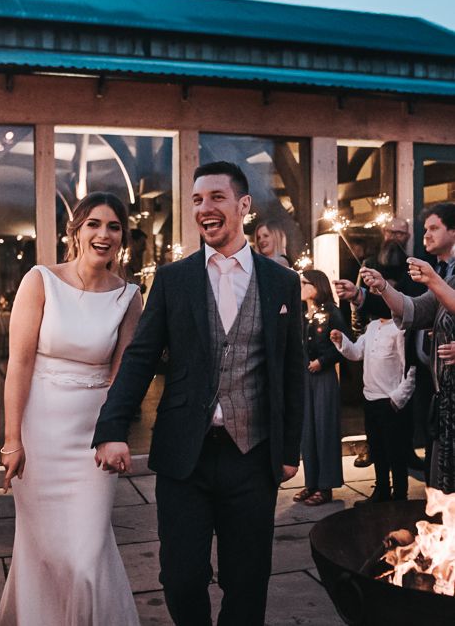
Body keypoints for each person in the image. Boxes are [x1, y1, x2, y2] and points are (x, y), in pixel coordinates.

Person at [93, 162, 304, 626]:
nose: (204, 209)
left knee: (248, 578)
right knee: (181, 577)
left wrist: (291, 449)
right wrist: (112, 428)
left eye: (216, 198)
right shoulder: (173, 279)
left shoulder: (281, 281)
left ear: (243, 206)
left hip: (253, 456)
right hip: (183, 454)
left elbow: (291, 372)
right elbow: (140, 358)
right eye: (196, 200)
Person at [0, 192, 143, 626]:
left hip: (93, 439)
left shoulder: (129, 296)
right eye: (94, 224)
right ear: (75, 230)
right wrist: (11, 441)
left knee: (85, 555)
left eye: (113, 227)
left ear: (122, 238)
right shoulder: (40, 280)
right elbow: (19, 364)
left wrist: (115, 433)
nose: (103, 234)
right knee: (43, 550)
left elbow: (123, 378)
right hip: (40, 433)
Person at [367, 253, 455, 493]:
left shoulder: (442, 280)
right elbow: (414, 309)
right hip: (447, 401)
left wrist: (433, 279)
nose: (427, 235)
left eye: (434, 228)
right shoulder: (449, 279)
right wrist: (384, 287)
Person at [330, 317, 416, 504]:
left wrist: (398, 398)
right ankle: (382, 490)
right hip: (370, 398)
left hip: (390, 400)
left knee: (395, 452)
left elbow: (410, 366)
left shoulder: (399, 328)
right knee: (377, 449)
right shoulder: (372, 327)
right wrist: (341, 341)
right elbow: (356, 352)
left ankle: (400, 495)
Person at [294, 270, 347, 506]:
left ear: (318, 286)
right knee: (308, 431)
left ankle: (326, 486)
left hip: (323, 376)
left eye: (306, 283)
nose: (302, 286)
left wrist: (323, 361)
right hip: (304, 377)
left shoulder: (332, 313)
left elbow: (344, 344)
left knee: (325, 429)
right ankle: (311, 482)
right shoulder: (302, 315)